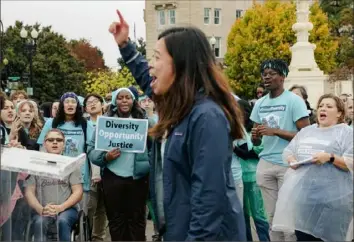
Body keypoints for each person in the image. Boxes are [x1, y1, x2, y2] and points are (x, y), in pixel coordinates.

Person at [109, 10, 246, 241]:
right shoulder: (178, 108)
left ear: (181, 65)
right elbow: (146, 77)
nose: (151, 65)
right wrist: (125, 45)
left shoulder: (206, 117)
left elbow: (209, 201)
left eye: (157, 57)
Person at [272, 94, 353, 241]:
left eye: (329, 106)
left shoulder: (346, 132)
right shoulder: (306, 131)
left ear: (339, 113)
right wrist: (292, 160)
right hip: (304, 200)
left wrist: (330, 157)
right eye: (321, 106)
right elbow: (289, 151)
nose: (323, 109)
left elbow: (351, 162)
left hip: (332, 203)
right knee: (303, 237)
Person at [250, 59, 310, 241]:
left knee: (289, 220)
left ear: (282, 77)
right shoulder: (260, 103)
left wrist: (276, 131)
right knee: (272, 218)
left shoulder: (294, 101)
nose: (266, 77)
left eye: (272, 73)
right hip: (265, 164)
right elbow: (257, 138)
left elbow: (307, 135)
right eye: (264, 74)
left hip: (289, 164)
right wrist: (256, 136)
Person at [88, 88, 150, 241]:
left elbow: (154, 148)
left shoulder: (144, 121)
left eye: (127, 98)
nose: (124, 101)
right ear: (115, 101)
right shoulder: (105, 123)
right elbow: (91, 149)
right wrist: (105, 157)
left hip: (137, 178)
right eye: (120, 98)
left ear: (133, 101)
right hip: (112, 177)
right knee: (116, 220)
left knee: (137, 220)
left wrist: (148, 164)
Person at [25, 129, 83, 242]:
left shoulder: (71, 165)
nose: (55, 142)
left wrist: (61, 207)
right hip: (43, 209)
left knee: (63, 221)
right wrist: (40, 209)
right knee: (39, 222)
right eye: (51, 140)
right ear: (44, 143)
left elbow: (78, 192)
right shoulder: (35, 165)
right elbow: (29, 192)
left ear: (64, 143)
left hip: (67, 209)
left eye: (59, 140)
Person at [83, 93, 109, 241]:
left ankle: (98, 237)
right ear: (85, 108)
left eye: (95, 101)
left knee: (103, 209)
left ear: (102, 104)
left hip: (107, 171)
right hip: (89, 172)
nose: (92, 104)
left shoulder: (109, 122)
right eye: (89, 103)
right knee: (90, 207)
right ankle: (87, 234)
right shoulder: (83, 125)